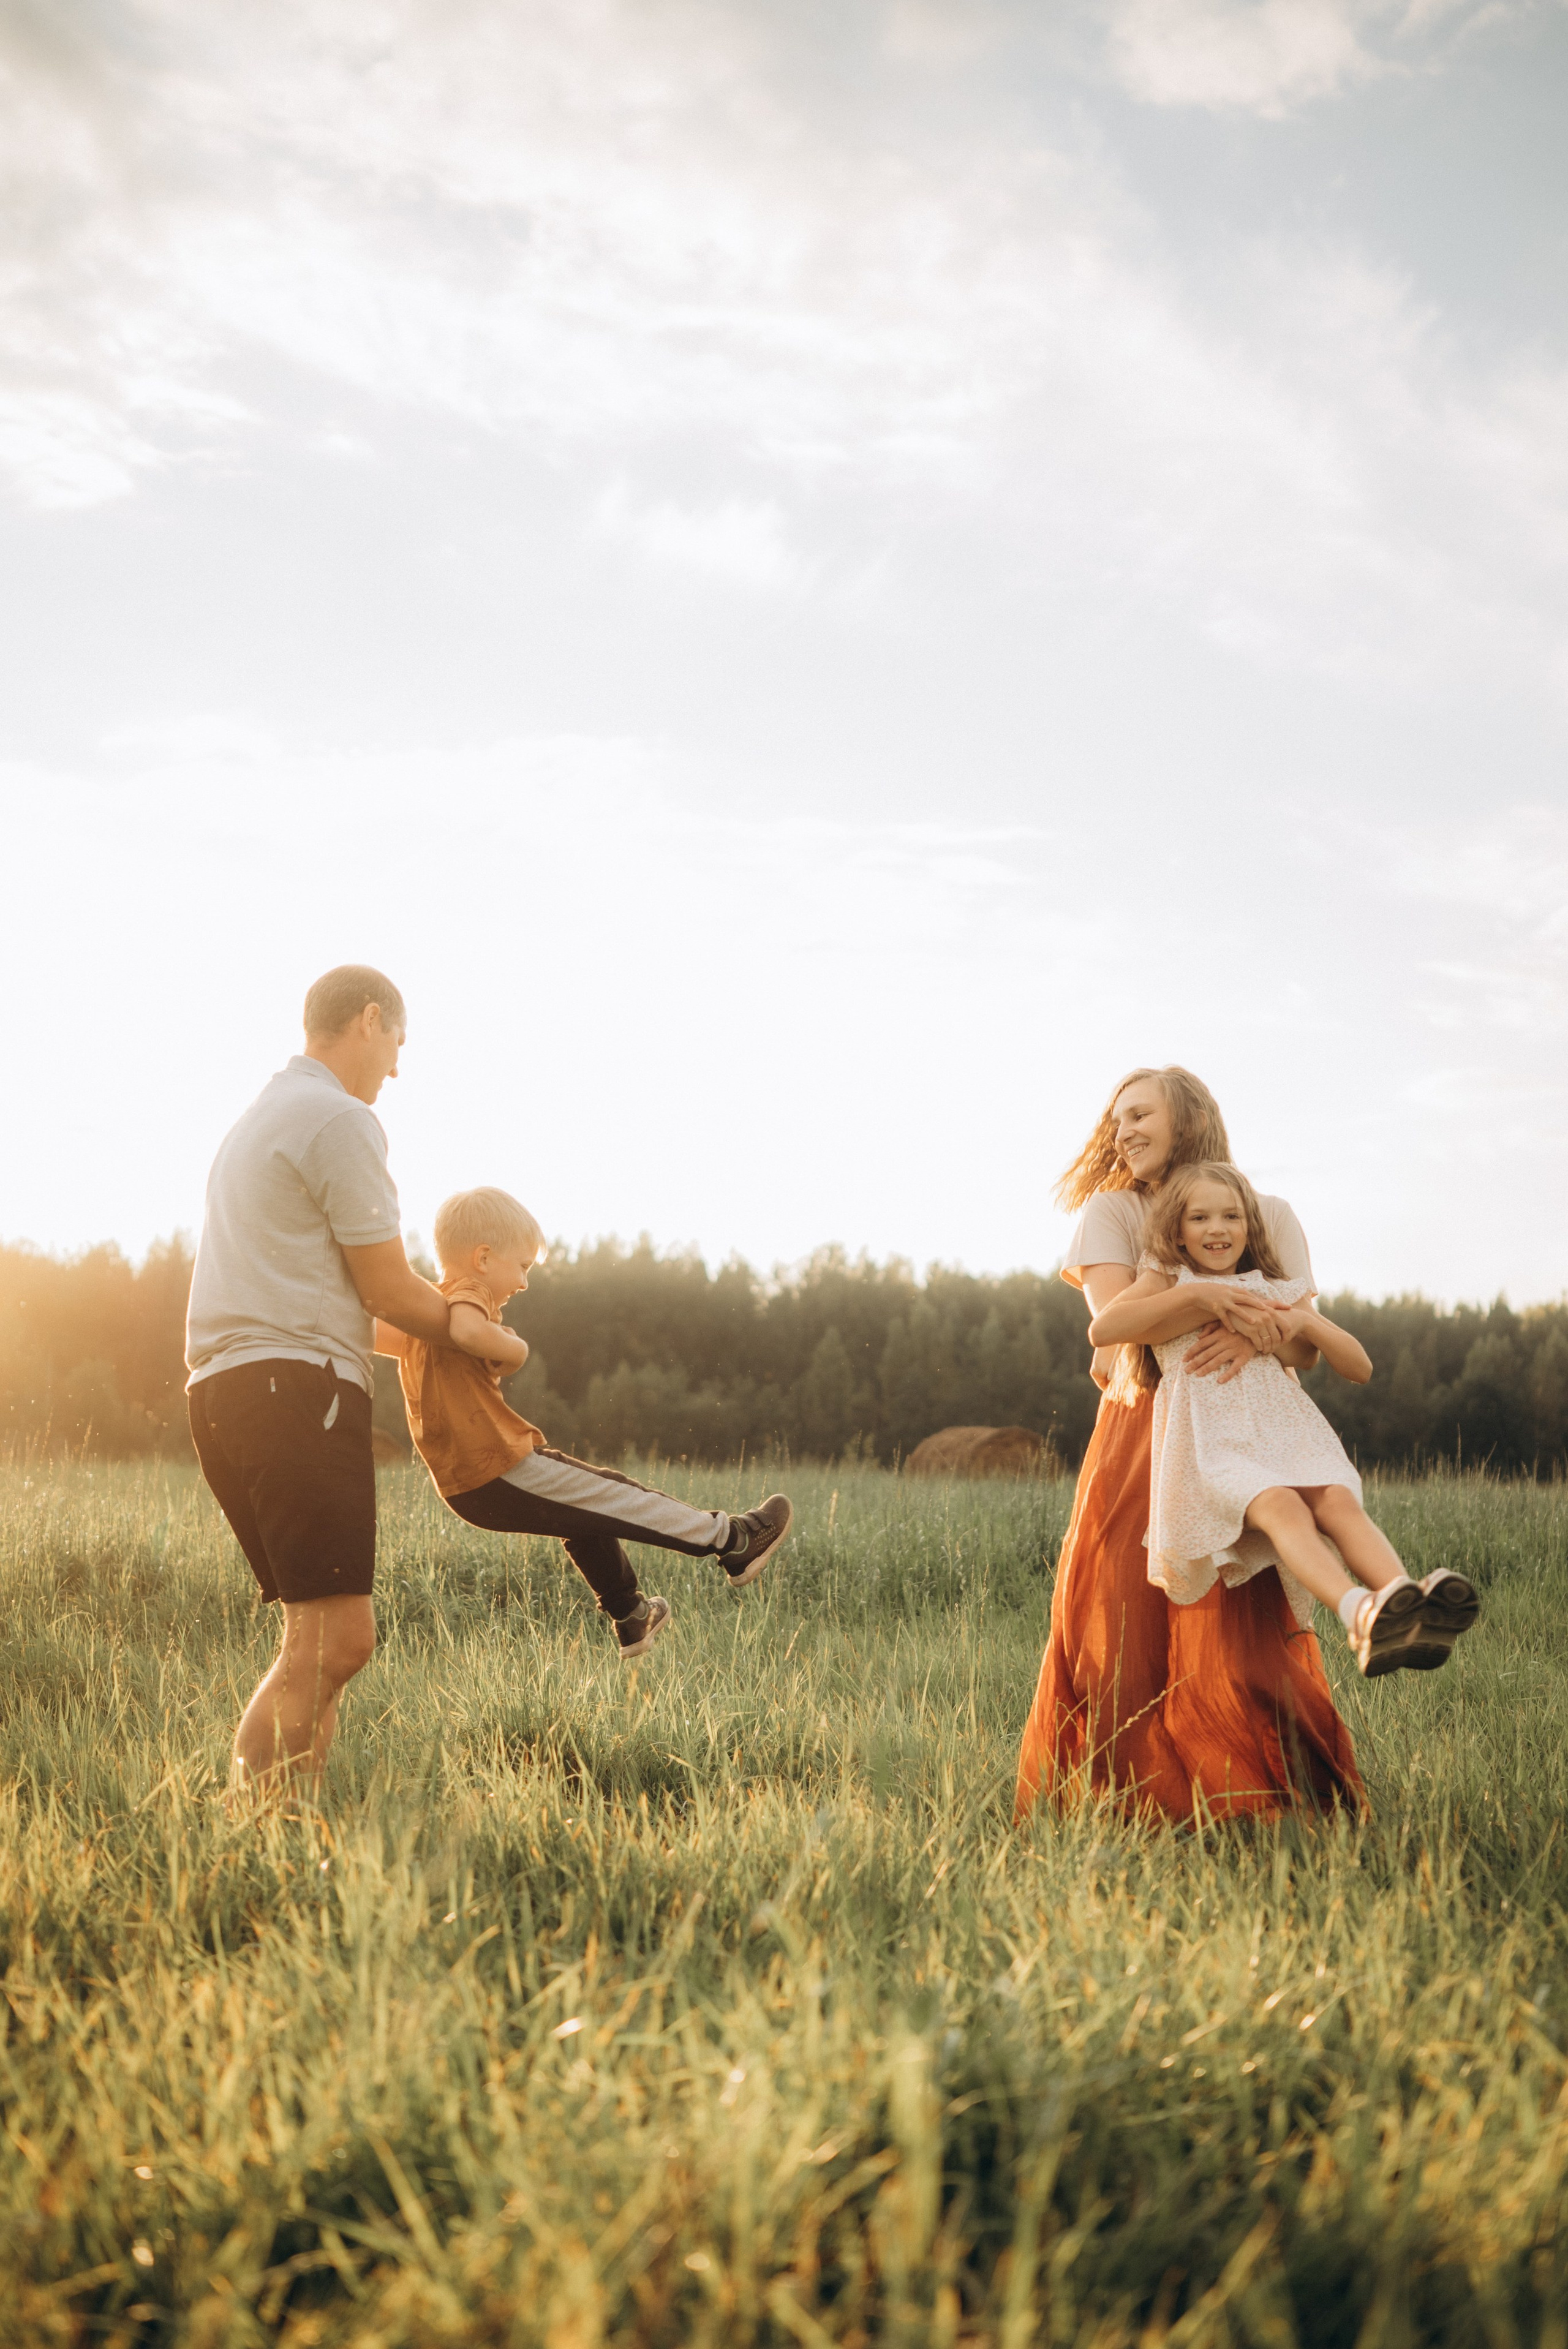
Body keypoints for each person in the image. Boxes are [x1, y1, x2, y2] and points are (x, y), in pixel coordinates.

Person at [1014, 1065, 1362, 1827]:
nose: (1123, 1131)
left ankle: (1274, 1804)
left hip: (1244, 1432)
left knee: (1245, 1628)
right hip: (1140, 1438)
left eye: (1139, 1114)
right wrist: (1216, 1305)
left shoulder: (1263, 1210)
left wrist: (1255, 1337)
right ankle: (1127, 1808)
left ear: (1188, 1117)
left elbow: (1302, 1347)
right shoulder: (1110, 1211)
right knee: (1118, 1626)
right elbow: (1122, 1336)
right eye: (1117, 1120)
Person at [186, 965, 451, 1803]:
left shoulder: (262, 1117)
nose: (397, 1070)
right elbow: (392, 1290)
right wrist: (477, 1331)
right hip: (293, 1391)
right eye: (397, 1044)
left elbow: (347, 1304)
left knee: (319, 1640)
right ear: (370, 1019)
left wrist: (436, 1342)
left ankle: (280, 1830)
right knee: (337, 1642)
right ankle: (253, 1824)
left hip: (234, 1390)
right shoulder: (339, 1118)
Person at [1089, 1161, 1480, 1677]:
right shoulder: (1167, 1277)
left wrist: (1300, 1320)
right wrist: (1193, 1294)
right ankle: (1358, 1612)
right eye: (1200, 1218)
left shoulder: (1269, 1285)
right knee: (1284, 1507)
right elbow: (1104, 1329)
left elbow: (1358, 1366)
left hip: (1287, 1431)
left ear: (1249, 1225)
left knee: (1338, 1501)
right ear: (1178, 1233)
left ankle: (1404, 1603)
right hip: (1215, 1440)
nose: (1217, 1229)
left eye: (1231, 1216)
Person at [375, 1184, 793, 1653]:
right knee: (616, 1494)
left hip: (462, 1487)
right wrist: (515, 1348)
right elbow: (469, 1329)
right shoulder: (467, 1293)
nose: (524, 1283)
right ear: (483, 1258)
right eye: (523, 1266)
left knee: (583, 1515)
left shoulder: (424, 1314)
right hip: (499, 1465)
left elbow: (374, 1332)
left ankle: (631, 1613)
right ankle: (733, 1539)